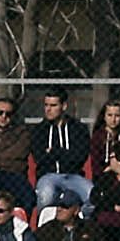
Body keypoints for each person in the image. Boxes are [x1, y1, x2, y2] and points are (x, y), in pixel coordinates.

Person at [30, 91, 93, 220]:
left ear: (64, 106)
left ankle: (82, 229)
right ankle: (44, 231)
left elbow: (80, 157)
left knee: (91, 195)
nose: (48, 109)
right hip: (48, 176)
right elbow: (40, 158)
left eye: (53, 105)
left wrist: (54, 151)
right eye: (46, 105)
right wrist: (66, 153)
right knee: (46, 196)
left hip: (74, 176)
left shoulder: (78, 128)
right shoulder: (39, 130)